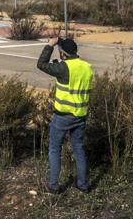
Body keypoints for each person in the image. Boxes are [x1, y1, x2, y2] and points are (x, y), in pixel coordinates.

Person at [37, 35, 93, 194]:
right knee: (79, 149)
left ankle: (53, 186)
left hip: (63, 116)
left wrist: (50, 45)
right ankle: (83, 185)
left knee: (55, 149)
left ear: (62, 53)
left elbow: (41, 64)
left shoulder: (63, 68)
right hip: (81, 114)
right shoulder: (87, 67)